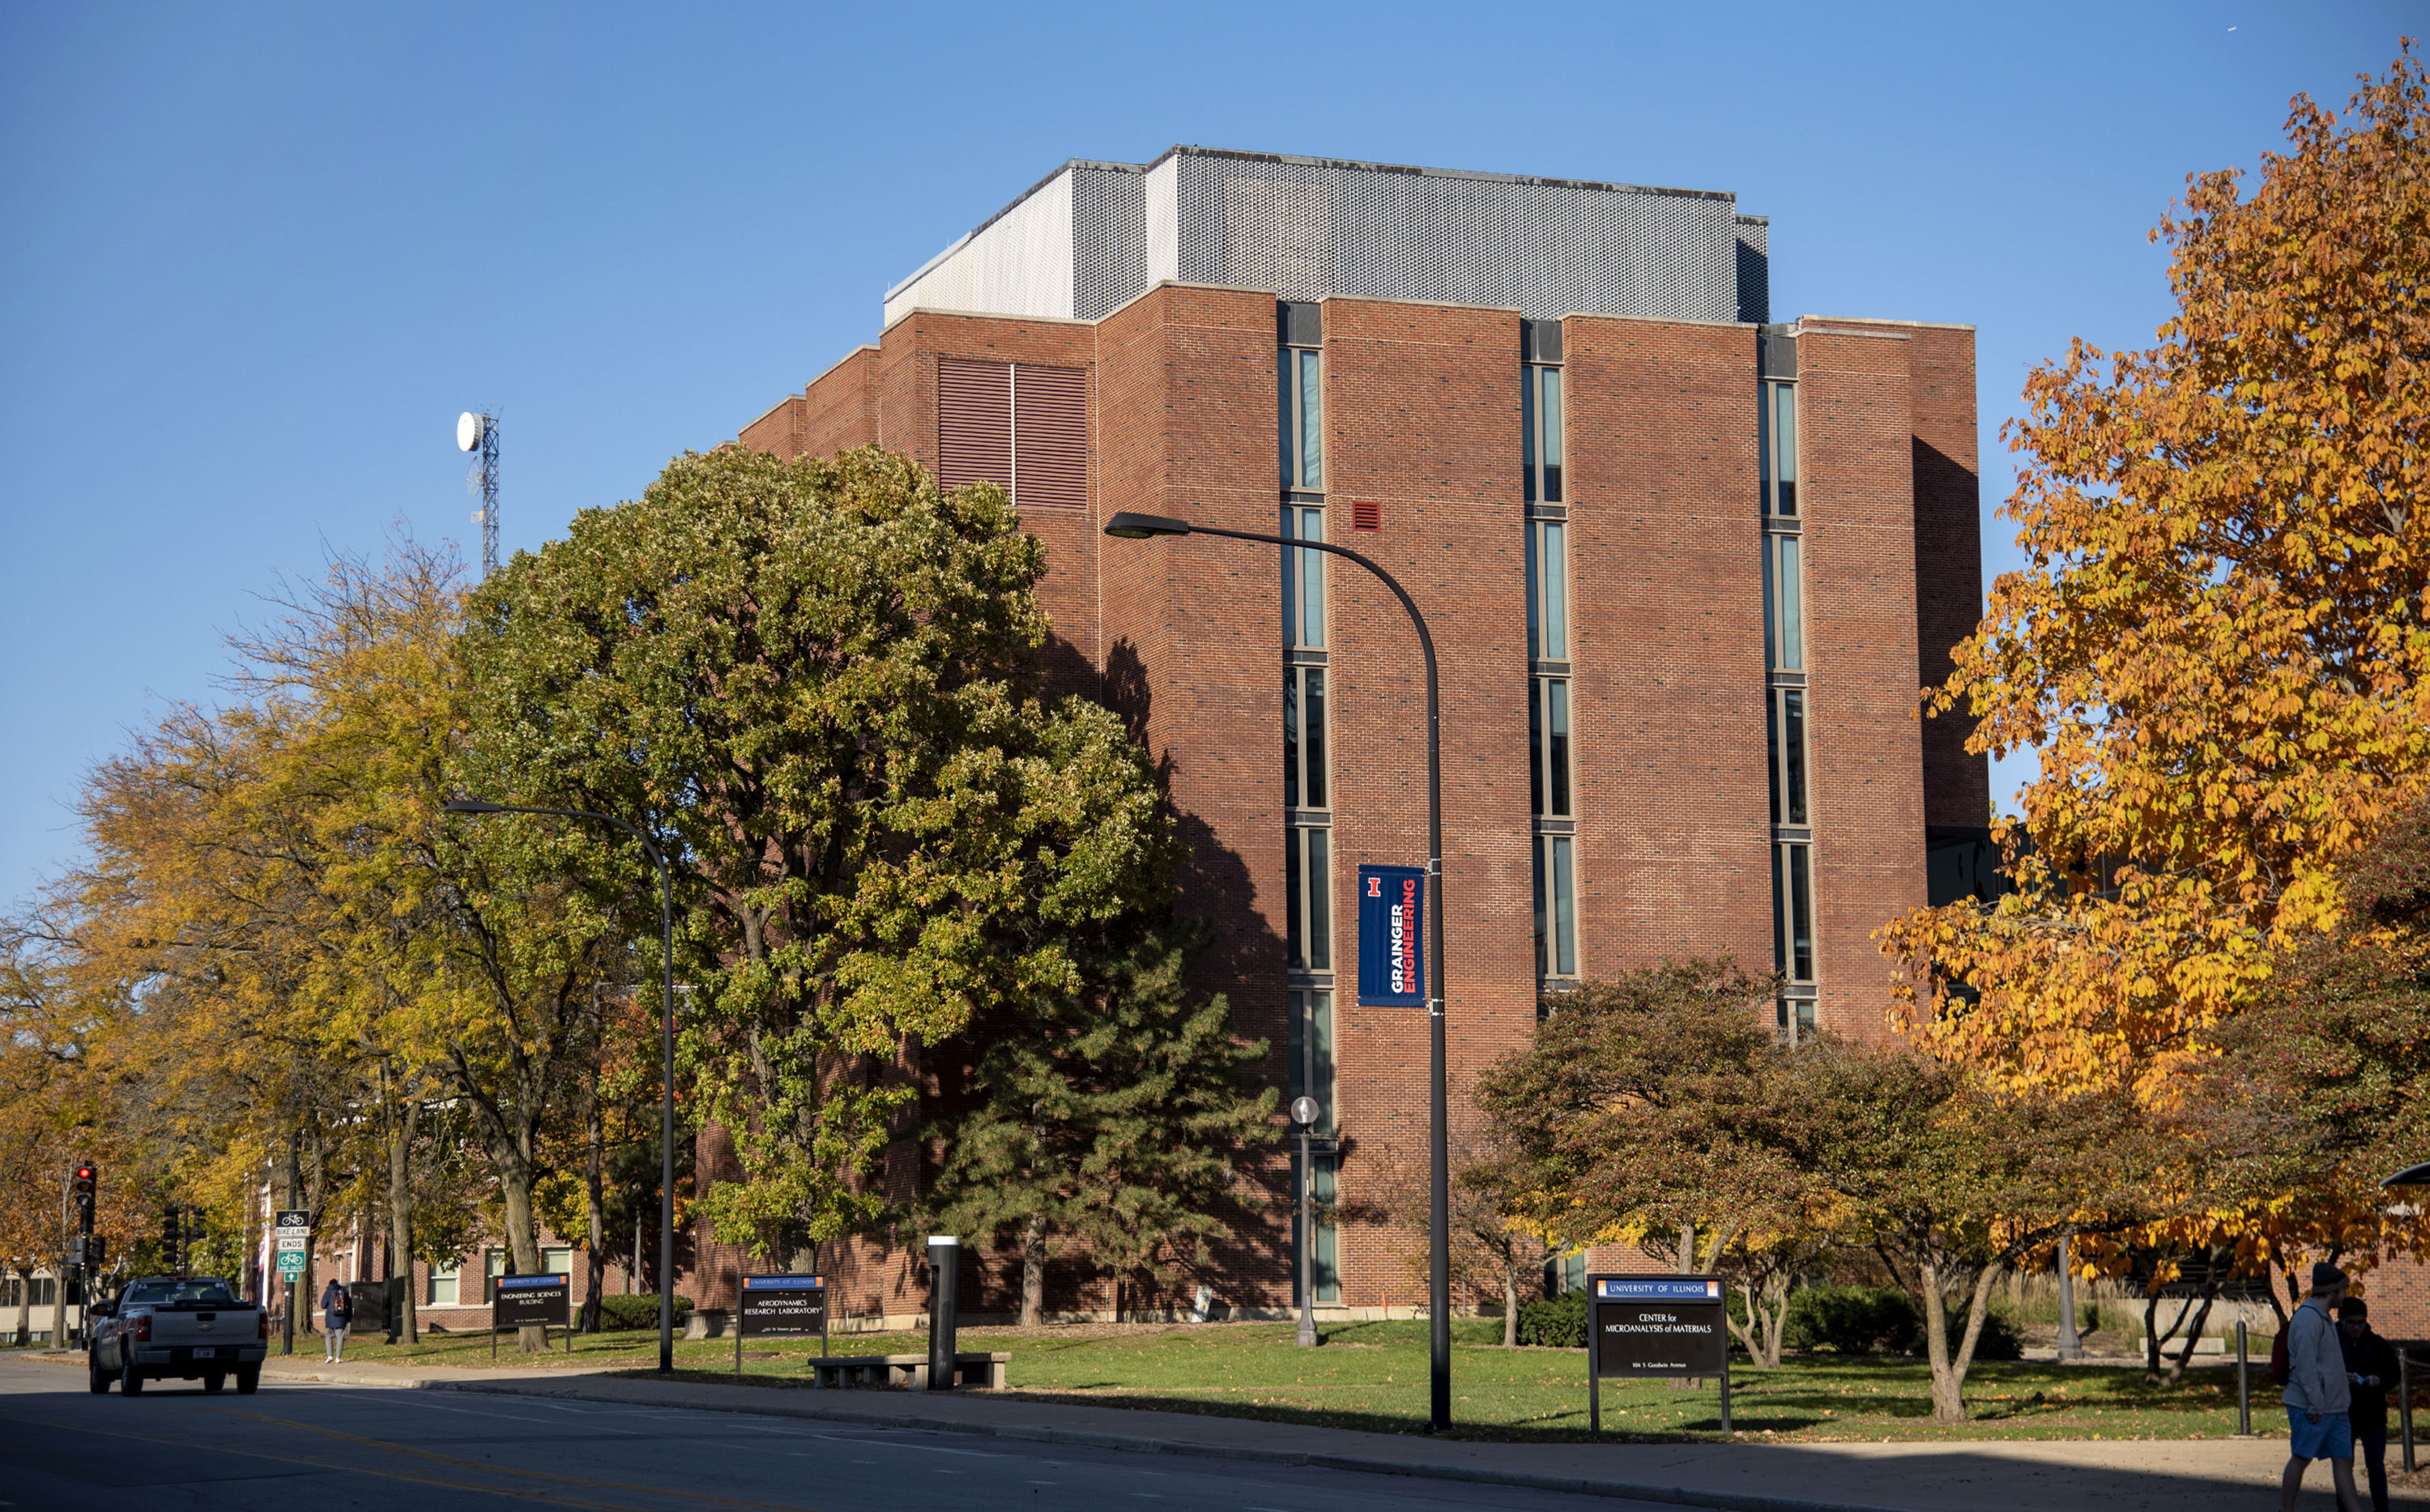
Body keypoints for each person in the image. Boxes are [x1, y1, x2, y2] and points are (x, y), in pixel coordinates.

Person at [2282, 1261, 2364, 1512]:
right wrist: (2315, 1403)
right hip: (2312, 1407)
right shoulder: (2308, 1319)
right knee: (2301, 1458)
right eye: (2343, 1290)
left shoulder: (2323, 1317)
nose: (2346, 1295)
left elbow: (2321, 1363)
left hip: (2336, 1407)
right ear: (2331, 1291)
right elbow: (2305, 1366)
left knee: (2344, 1462)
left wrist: (2339, 1378)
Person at [2339, 1297, 2398, 1512]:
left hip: (2373, 1413)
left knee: (2376, 1466)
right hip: (2344, 1413)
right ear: (2342, 1320)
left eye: (2360, 1322)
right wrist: (2340, 1378)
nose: (2356, 1327)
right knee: (2344, 1468)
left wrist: (2380, 1380)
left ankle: (2381, 1508)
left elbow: (2394, 1373)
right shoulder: (2333, 1343)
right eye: (2351, 1322)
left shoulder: (2377, 1344)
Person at [319, 1278, 352, 1363]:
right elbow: (349, 1306)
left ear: (329, 1284)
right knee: (340, 1337)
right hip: (341, 1318)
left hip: (330, 1318)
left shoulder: (328, 1292)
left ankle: (330, 1355)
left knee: (329, 1336)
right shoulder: (344, 1291)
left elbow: (323, 1305)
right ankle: (338, 1357)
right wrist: (348, 1318)